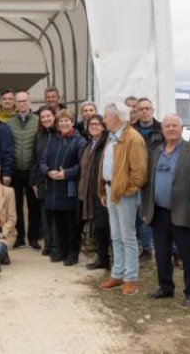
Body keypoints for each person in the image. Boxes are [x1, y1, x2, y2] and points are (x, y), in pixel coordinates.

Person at [141, 114, 190, 307]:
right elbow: (148, 185)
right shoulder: (155, 152)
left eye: (174, 125)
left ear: (181, 128)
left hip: (184, 211)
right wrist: (146, 208)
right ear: (162, 129)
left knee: (189, 255)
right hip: (159, 213)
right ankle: (165, 287)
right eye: (167, 126)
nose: (170, 129)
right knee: (162, 253)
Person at [97, 102, 148, 296]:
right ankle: (118, 273)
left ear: (116, 117)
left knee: (128, 236)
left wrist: (127, 192)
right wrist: (104, 190)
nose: (104, 120)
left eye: (106, 117)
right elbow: (106, 165)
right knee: (116, 235)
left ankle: (131, 278)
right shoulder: (112, 137)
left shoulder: (133, 138)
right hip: (111, 192)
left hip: (124, 194)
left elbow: (140, 172)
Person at [39, 109, 86, 265]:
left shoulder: (79, 141)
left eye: (67, 120)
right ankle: (62, 251)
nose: (64, 123)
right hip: (53, 188)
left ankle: (73, 253)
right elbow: (43, 161)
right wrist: (48, 171)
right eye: (61, 121)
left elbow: (82, 165)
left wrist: (66, 173)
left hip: (70, 188)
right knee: (59, 223)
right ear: (57, 124)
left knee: (71, 224)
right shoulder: (53, 140)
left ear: (72, 122)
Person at [6, 91, 41, 249]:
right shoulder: (10, 123)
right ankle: (20, 237)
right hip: (15, 170)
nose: (21, 104)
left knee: (33, 206)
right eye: (18, 101)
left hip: (32, 170)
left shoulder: (38, 121)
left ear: (29, 102)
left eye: (24, 100)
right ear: (15, 104)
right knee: (16, 206)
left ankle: (33, 237)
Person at [78, 114, 111, 270]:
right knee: (99, 227)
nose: (94, 126)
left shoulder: (107, 144)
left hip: (104, 191)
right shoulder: (88, 144)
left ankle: (113, 261)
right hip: (90, 191)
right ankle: (102, 258)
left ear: (103, 127)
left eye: (97, 124)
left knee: (107, 227)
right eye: (91, 124)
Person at [132, 97, 162, 263]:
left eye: (147, 108)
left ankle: (171, 250)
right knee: (139, 214)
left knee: (158, 215)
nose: (144, 111)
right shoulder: (131, 130)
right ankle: (145, 249)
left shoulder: (162, 129)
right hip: (137, 179)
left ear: (152, 110)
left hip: (157, 178)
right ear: (136, 111)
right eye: (141, 108)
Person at [34, 106, 58, 256]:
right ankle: (48, 245)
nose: (46, 119)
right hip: (42, 180)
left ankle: (56, 245)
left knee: (56, 215)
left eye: (48, 116)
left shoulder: (59, 134)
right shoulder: (39, 136)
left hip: (57, 180)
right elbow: (34, 160)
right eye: (43, 117)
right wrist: (34, 182)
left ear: (54, 116)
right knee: (45, 215)